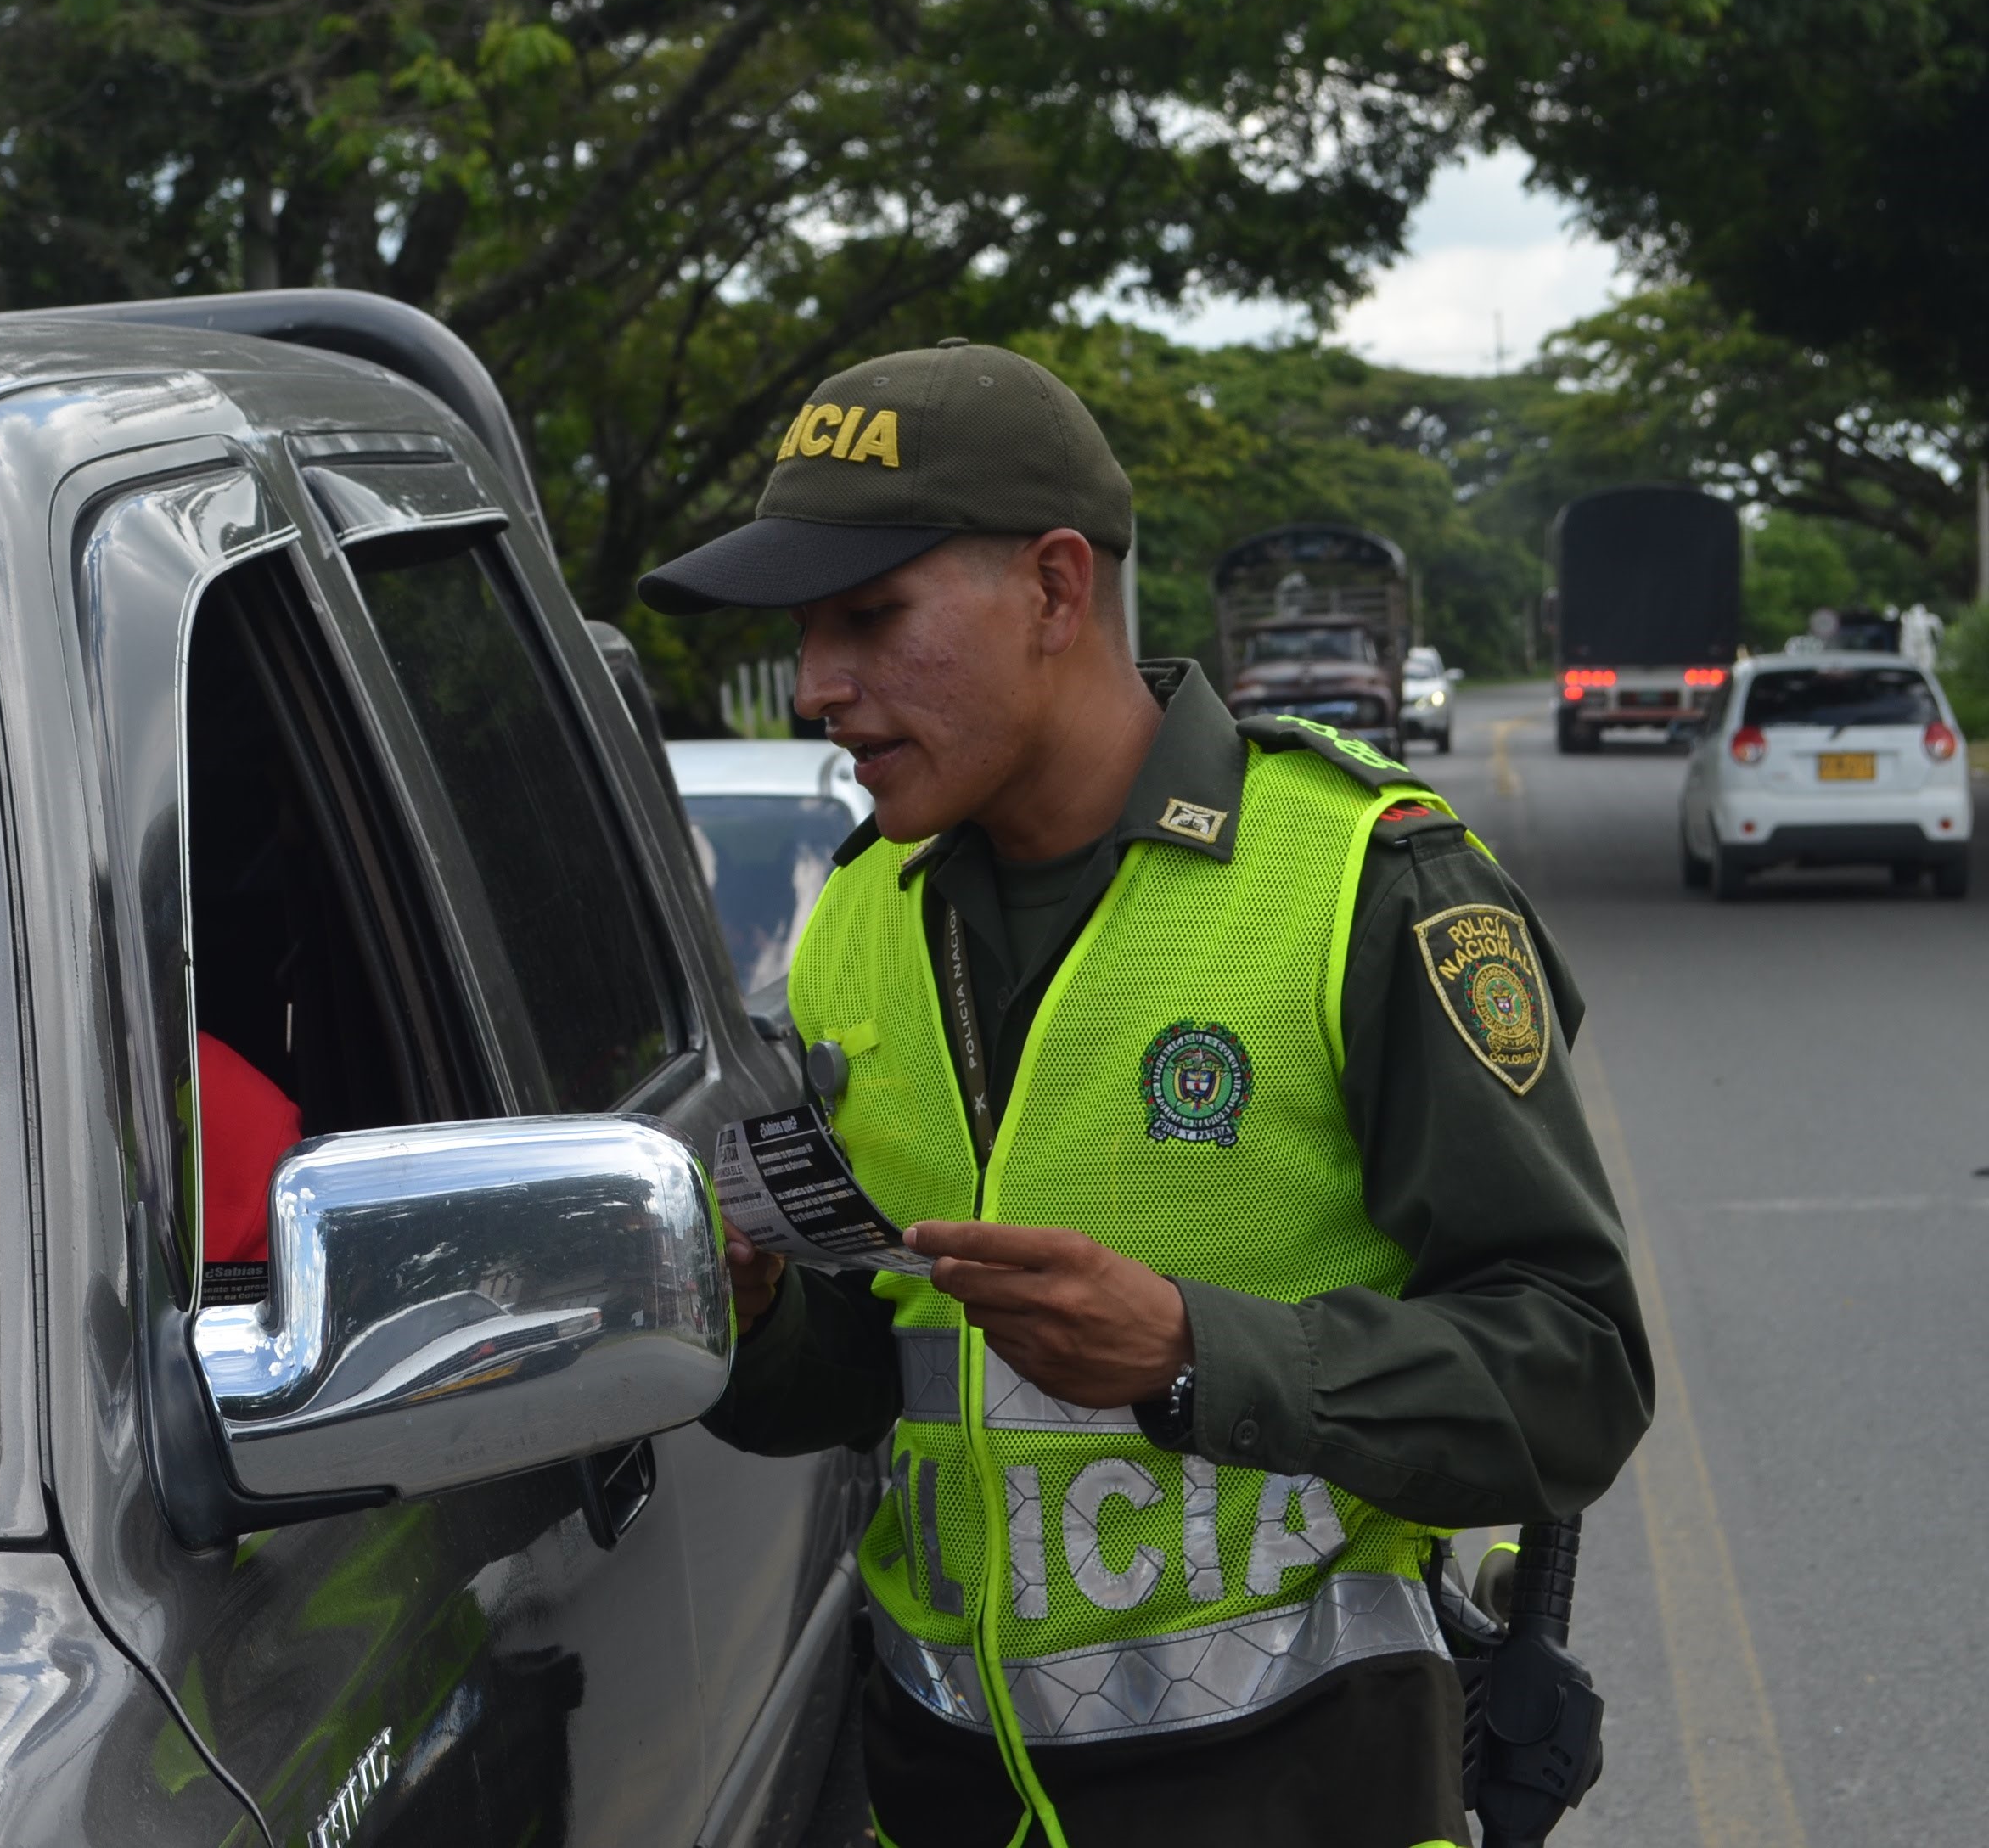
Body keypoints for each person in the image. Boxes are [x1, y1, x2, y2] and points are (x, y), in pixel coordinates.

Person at [636, 341, 1652, 1848]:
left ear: (1055, 590)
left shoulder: (1361, 885)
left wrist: (1196, 1353)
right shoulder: (859, 916)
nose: (817, 689)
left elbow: (1577, 1371)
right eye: (804, 632)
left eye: (870, 617)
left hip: (1300, 1797)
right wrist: (766, 1312)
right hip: (938, 1798)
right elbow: (883, 1378)